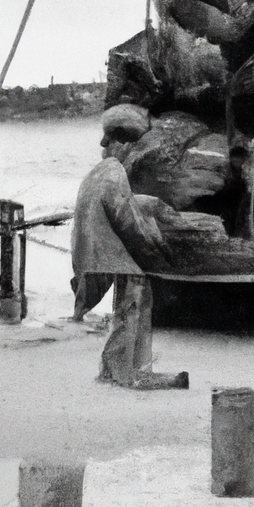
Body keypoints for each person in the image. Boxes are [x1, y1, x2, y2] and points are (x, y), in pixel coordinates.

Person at [70, 156, 188, 390]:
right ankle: (122, 371)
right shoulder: (117, 182)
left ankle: (122, 366)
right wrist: (162, 255)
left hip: (97, 248)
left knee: (135, 298)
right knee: (135, 298)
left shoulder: (102, 173)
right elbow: (133, 226)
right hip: (110, 250)